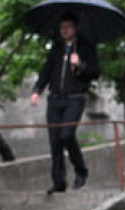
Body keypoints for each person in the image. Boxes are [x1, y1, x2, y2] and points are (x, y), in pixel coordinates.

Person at [30, 12, 100, 194]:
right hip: (55, 99)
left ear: (75, 28)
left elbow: (95, 72)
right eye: (62, 28)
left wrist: (80, 65)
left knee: (66, 135)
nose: (65, 31)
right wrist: (37, 90)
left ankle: (81, 170)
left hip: (74, 98)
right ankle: (58, 182)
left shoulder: (86, 47)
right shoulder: (56, 47)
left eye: (68, 27)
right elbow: (47, 70)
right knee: (54, 142)